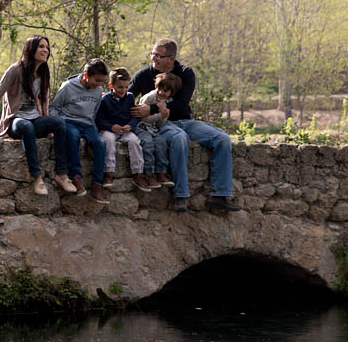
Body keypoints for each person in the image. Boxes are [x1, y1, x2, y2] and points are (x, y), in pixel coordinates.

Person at [128, 39, 240, 213]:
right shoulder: (143, 74)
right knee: (180, 139)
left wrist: (150, 108)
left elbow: (180, 105)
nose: (153, 58)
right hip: (161, 124)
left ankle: (220, 196)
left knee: (222, 139)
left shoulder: (185, 73)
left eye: (158, 56)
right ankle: (181, 195)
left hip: (186, 121)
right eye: (152, 54)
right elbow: (127, 98)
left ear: (171, 58)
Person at [0, 36, 77, 196]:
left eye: (47, 47)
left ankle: (62, 175)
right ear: (31, 49)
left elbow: (45, 101)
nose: (45, 50)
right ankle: (37, 177)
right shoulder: (16, 69)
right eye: (41, 46)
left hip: (36, 119)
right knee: (26, 126)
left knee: (59, 123)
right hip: (16, 121)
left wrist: (48, 126)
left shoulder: (43, 72)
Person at [50, 58, 110, 204]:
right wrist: (56, 125)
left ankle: (97, 184)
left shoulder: (98, 90)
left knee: (100, 143)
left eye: (102, 81)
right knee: (73, 136)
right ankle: (75, 176)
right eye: (97, 80)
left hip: (87, 123)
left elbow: (94, 112)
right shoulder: (68, 87)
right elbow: (54, 107)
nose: (99, 84)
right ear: (86, 75)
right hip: (68, 121)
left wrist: (96, 130)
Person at [95, 67, 150, 192]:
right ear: (111, 85)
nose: (124, 90)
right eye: (120, 87)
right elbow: (99, 120)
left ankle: (138, 173)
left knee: (134, 141)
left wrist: (130, 126)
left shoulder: (130, 97)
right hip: (109, 129)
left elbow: (134, 116)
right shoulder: (105, 100)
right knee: (108, 140)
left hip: (125, 130)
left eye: (126, 87)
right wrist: (110, 127)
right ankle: (108, 173)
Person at [135, 72, 181, 191]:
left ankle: (161, 172)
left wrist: (164, 116)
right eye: (160, 88)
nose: (161, 92)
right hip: (141, 127)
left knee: (161, 143)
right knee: (148, 144)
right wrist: (160, 115)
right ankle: (149, 174)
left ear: (171, 92)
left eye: (165, 91)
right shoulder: (149, 97)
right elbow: (143, 118)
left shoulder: (167, 101)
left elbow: (160, 124)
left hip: (153, 128)